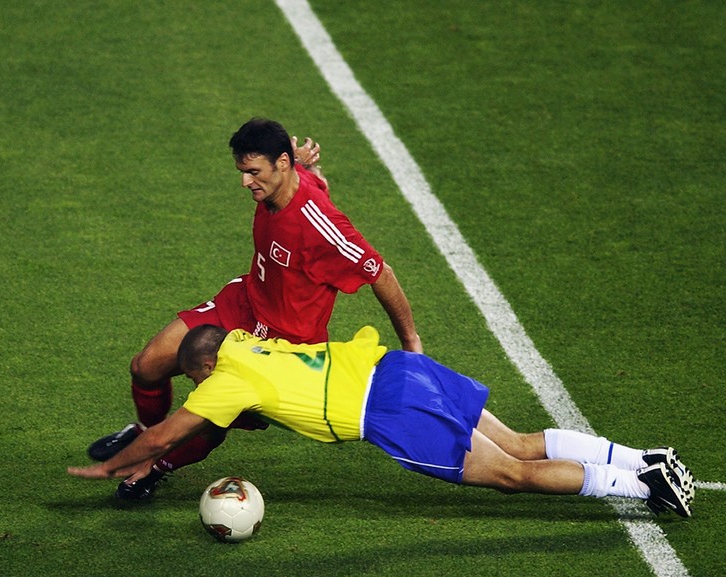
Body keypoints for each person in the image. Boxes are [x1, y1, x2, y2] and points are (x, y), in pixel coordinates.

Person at [88, 118, 422, 501]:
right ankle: (148, 436)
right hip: (244, 304)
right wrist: (300, 164)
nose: (245, 182)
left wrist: (411, 341)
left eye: (252, 172)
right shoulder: (282, 183)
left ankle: (155, 466)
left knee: (209, 421)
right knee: (145, 365)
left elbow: (379, 272)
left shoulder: (319, 224)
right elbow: (311, 179)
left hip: (283, 344)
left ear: (281, 164)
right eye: (242, 171)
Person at [69, 325, 695, 518]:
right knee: (523, 441)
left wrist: (112, 465)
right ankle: (645, 458)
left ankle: (646, 486)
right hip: (397, 370)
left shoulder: (227, 381)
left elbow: (167, 434)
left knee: (508, 474)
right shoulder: (246, 344)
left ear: (203, 371)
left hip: (388, 412)